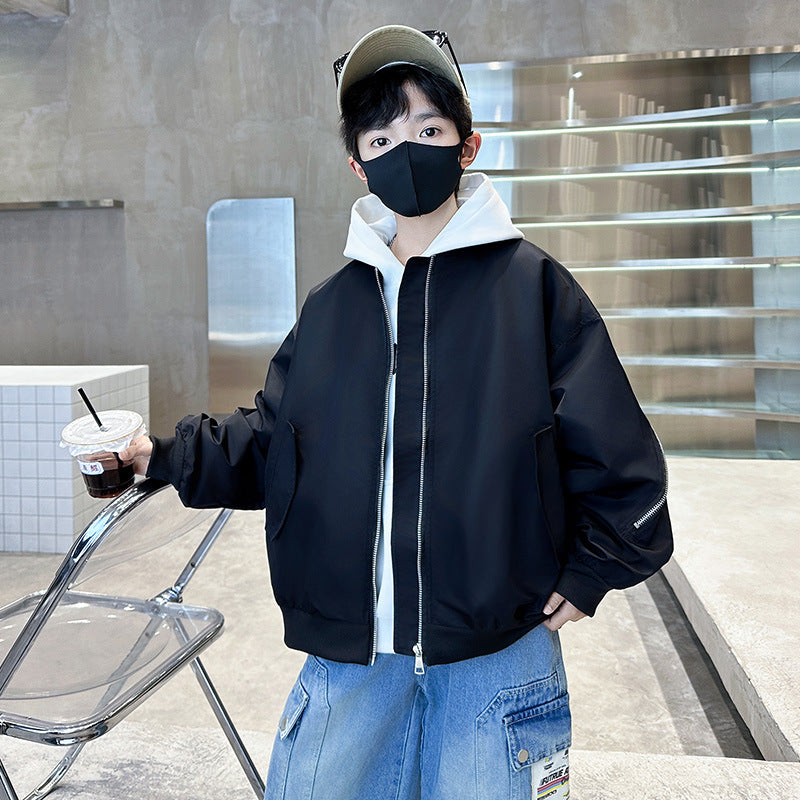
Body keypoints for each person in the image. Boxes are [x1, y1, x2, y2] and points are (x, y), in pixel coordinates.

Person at [121, 25, 673, 800]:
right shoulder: (334, 307)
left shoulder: (534, 291)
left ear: (467, 146)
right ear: (358, 164)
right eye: (381, 138)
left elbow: (622, 459)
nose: (404, 150)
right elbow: (275, 439)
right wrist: (160, 454)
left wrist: (589, 574)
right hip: (354, 655)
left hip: (497, 654)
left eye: (428, 130)